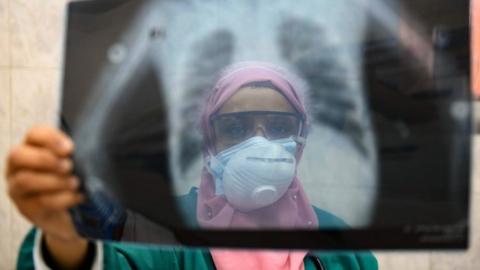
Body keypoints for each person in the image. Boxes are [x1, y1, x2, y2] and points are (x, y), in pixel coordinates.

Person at [6, 62, 377, 269]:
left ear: (299, 143)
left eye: (279, 127)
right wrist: (65, 237)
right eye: (235, 127)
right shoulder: (160, 228)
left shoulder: (341, 244)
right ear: (209, 143)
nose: (260, 143)